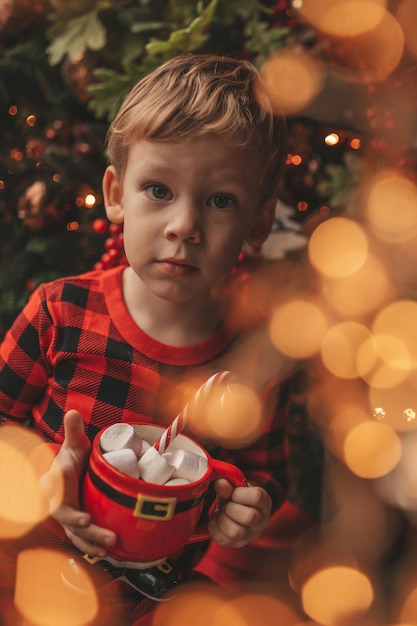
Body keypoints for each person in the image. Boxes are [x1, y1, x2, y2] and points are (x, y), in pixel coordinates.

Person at [0, 53, 291, 625]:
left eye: (220, 200)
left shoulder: (255, 358)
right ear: (116, 195)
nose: (184, 225)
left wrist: (250, 509)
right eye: (158, 189)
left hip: (149, 602)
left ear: (257, 223)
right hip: (25, 575)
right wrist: (40, 464)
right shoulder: (60, 311)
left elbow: (263, 474)